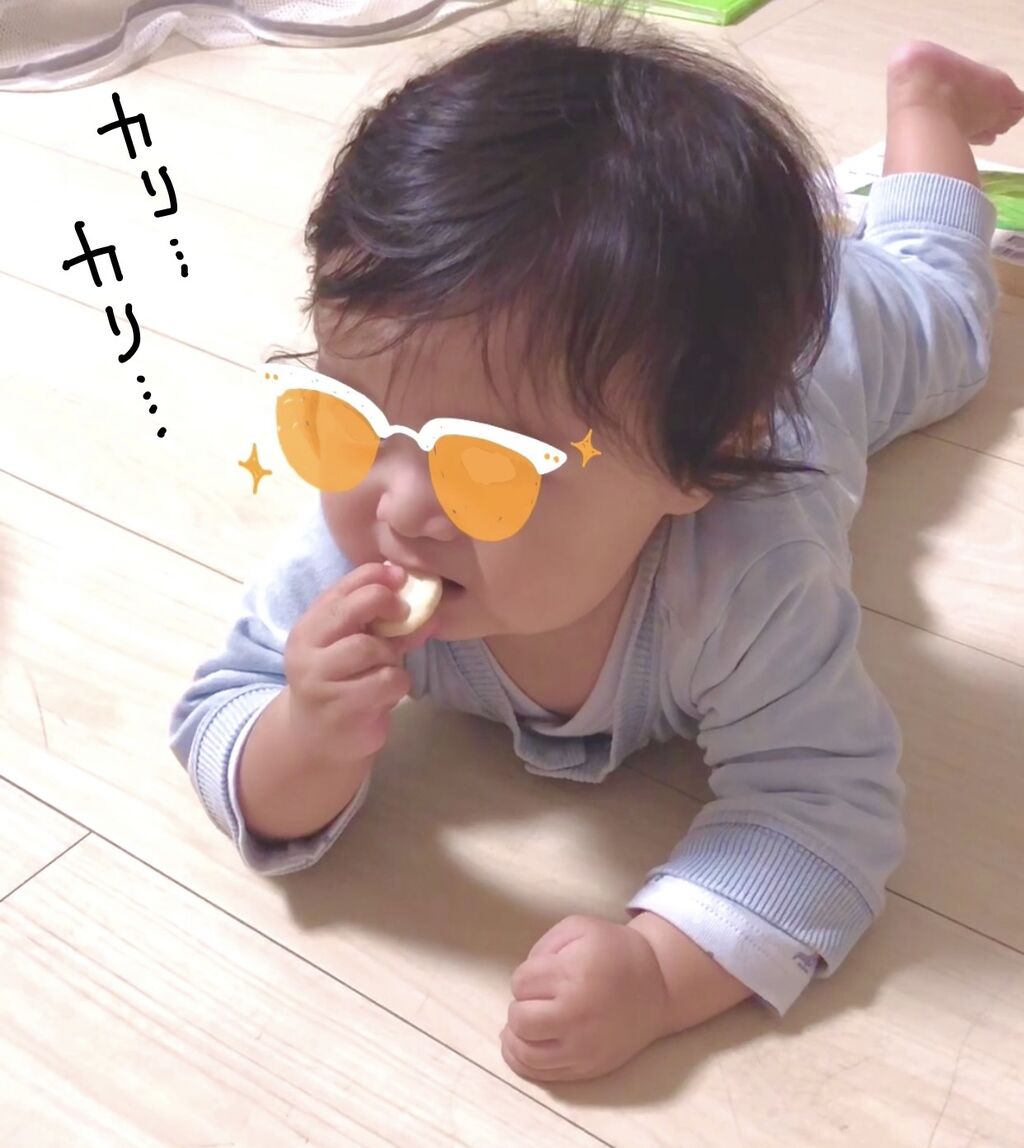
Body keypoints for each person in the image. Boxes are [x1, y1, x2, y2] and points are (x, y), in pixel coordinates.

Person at [169, 6, 1024, 1083]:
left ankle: (924, 106)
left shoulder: (749, 578)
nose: (401, 506)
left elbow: (823, 807)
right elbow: (223, 707)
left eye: (486, 465)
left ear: (701, 461)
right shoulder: (364, 538)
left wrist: (663, 971)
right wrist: (304, 736)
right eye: (348, 419)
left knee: (951, 316)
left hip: (833, 333)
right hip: (684, 339)